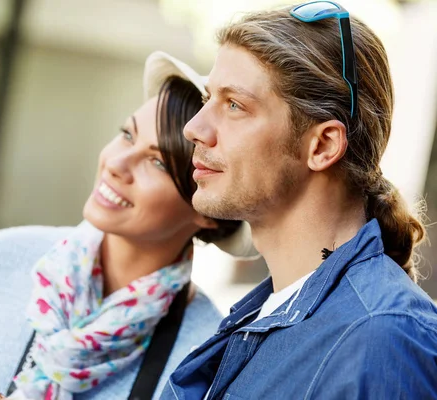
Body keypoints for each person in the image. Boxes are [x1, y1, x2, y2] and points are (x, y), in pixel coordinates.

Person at [0, 52, 258, 400]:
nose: (117, 164)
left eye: (156, 161)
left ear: (207, 207)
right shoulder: (1, 260)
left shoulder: (203, 352)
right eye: (127, 134)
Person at [161, 2, 437, 399]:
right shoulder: (270, 315)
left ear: (323, 145)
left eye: (234, 105)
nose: (194, 128)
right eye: (208, 99)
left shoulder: (381, 337)